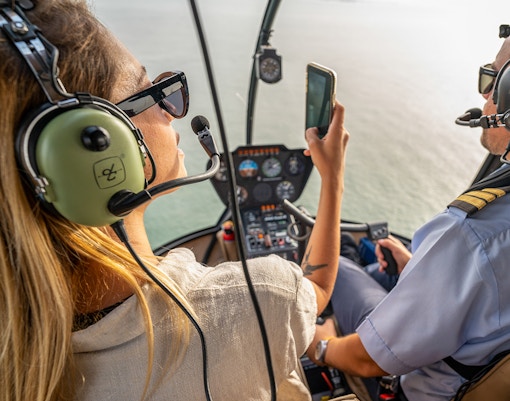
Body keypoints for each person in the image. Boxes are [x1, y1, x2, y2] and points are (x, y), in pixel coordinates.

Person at [0, 1, 350, 400]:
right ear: (96, 147)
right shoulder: (255, 300)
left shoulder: (17, 352)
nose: (172, 112)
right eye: (150, 90)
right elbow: (318, 287)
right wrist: (332, 179)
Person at [307, 27, 510, 401]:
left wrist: (319, 345)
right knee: (373, 267)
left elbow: (369, 360)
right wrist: (427, 270)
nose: (484, 93)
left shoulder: (472, 235)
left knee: (344, 270)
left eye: (494, 79)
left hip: (414, 389)